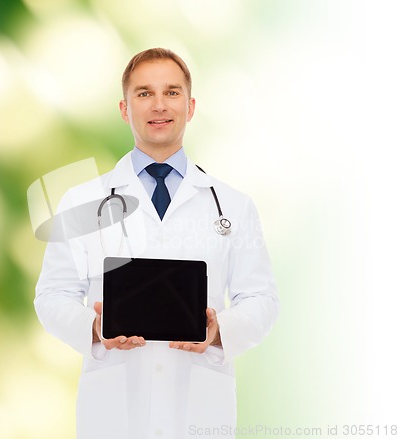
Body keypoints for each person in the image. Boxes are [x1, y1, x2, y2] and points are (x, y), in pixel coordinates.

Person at [35, 48, 280, 439]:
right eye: (144, 93)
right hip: (113, 412)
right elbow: (52, 295)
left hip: (200, 409)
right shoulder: (82, 202)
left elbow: (262, 300)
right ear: (124, 107)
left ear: (191, 105)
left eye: (172, 92)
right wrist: (93, 327)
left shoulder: (233, 205)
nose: (159, 105)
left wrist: (219, 330)